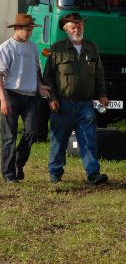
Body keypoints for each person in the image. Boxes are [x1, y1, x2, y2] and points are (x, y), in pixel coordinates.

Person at [42, 13, 109, 184]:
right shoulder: (57, 49)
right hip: (63, 103)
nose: (77, 29)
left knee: (89, 139)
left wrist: (102, 95)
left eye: (79, 25)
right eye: (73, 26)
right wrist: (51, 99)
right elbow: (48, 77)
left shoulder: (92, 48)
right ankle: (55, 173)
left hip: (85, 104)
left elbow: (99, 75)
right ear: (66, 29)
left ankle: (93, 173)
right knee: (59, 140)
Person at [0, 13, 49, 183]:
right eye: (28, 30)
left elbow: (36, 70)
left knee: (33, 131)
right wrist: (3, 99)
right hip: (11, 94)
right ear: (17, 28)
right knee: (9, 136)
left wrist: (40, 86)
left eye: (31, 30)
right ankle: (8, 174)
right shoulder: (6, 48)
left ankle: (18, 163)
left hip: (30, 97)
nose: (30, 33)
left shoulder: (33, 48)